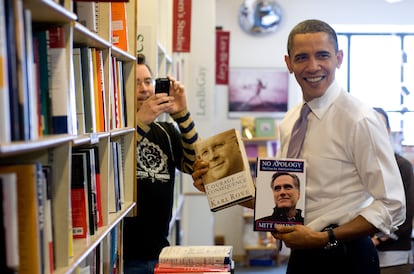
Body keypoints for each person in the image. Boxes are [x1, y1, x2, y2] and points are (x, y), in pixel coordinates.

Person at [192, 19, 406, 274]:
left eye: (323, 55)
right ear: (289, 63)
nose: (313, 66)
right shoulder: (290, 121)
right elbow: (288, 199)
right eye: (302, 57)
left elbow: (393, 205)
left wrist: (325, 238)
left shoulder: (360, 120)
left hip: (345, 257)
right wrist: (218, 187)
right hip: (302, 257)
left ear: (339, 58)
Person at [123, 54, 199, 274]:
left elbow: (193, 165)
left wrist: (182, 114)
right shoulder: (114, 133)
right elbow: (116, 167)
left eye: (148, 81)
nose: (145, 89)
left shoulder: (166, 132)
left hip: (160, 252)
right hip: (123, 256)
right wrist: (140, 122)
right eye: (136, 83)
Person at [371, 107, 414, 274]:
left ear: (388, 131)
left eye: (379, 126)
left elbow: (406, 215)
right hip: (361, 256)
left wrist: (378, 239)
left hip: (394, 258)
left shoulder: (401, 166)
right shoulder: (355, 167)